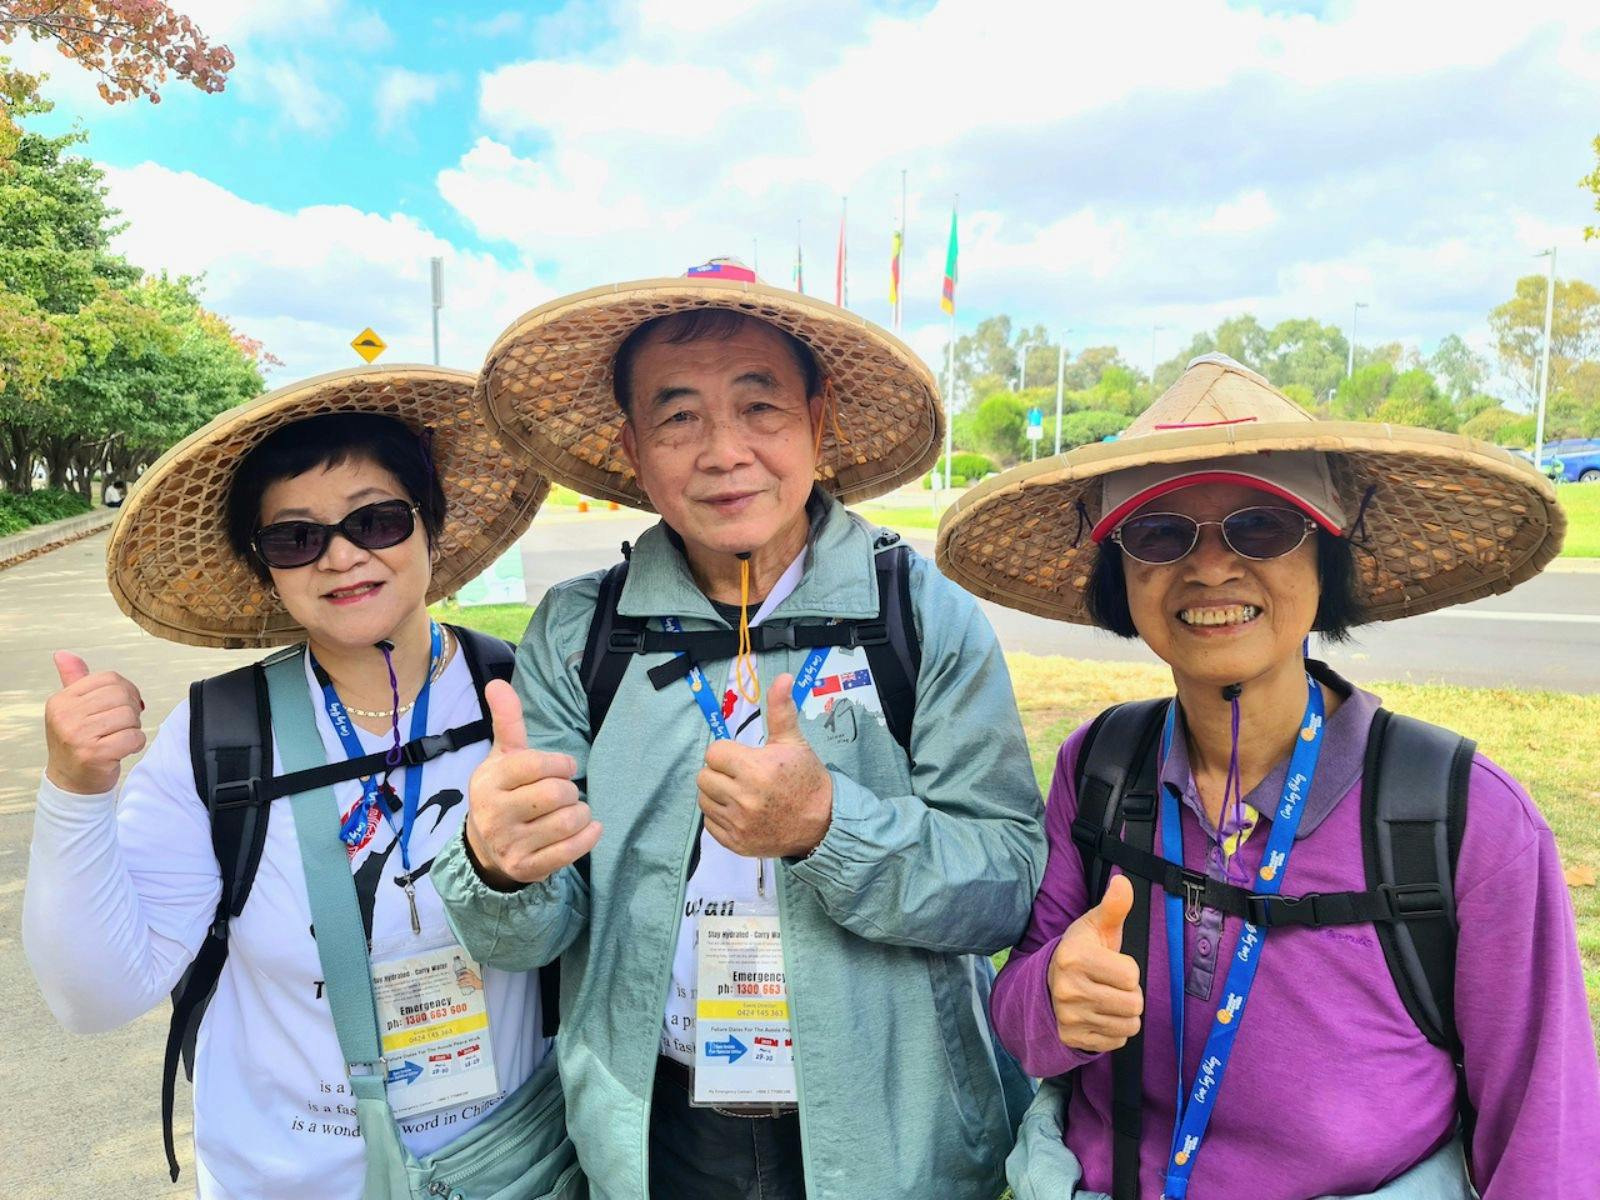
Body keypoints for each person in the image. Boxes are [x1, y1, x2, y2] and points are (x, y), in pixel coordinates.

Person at [433, 261, 1045, 1199]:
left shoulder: (921, 617)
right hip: (660, 1131)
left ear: (818, 417)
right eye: (679, 416)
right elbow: (534, 936)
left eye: (760, 407)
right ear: (635, 448)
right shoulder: (580, 630)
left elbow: (1005, 885)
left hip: (893, 1132)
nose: (724, 452)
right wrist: (498, 868)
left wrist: (830, 829)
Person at [938, 353, 1600, 1200]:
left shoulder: (1464, 818)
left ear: (1327, 560)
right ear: (1122, 577)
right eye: (1159, 533)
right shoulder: (1099, 765)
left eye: (1261, 527)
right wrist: (1053, 1000)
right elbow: (1023, 1022)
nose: (1210, 568)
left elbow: (1546, 1139)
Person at [24, 366, 579, 1199]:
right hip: (282, 1178)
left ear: (430, 527)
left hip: (511, 1166)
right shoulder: (221, 738)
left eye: (378, 520)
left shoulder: (533, 698)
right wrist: (74, 791)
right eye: (296, 537)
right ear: (266, 569)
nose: (344, 555)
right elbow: (96, 997)